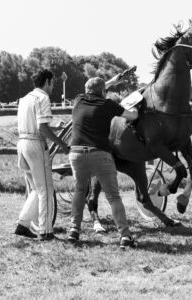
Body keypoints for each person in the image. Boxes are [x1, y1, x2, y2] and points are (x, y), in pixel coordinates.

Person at [66, 76, 139, 249]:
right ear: (103, 91)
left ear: (87, 90)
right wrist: (135, 106)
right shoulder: (108, 105)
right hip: (99, 153)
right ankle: (125, 235)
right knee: (113, 196)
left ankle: (74, 230)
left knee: (80, 190)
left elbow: (95, 88)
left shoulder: (78, 99)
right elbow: (132, 116)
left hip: (76, 153)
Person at [14, 69, 69, 241]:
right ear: (47, 81)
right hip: (35, 145)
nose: (53, 86)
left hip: (22, 143)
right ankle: (46, 231)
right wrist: (62, 144)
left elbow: (38, 124)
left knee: (37, 189)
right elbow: (42, 128)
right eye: (52, 82)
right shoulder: (43, 98)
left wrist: (55, 127)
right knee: (45, 189)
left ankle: (23, 224)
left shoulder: (24, 99)